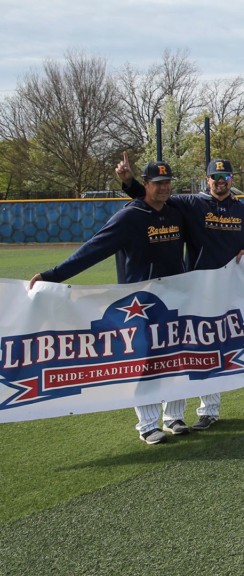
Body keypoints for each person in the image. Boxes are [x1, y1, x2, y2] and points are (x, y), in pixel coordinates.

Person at [118, 157, 244, 431]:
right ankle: (209, 410)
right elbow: (151, 197)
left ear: (232, 180)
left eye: (226, 177)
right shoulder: (191, 205)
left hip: (238, 290)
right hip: (201, 292)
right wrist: (128, 182)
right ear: (207, 180)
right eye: (215, 177)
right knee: (206, 351)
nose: (220, 182)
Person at [31, 158, 187, 445]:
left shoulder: (175, 212)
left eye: (167, 182)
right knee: (144, 360)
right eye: (157, 183)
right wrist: (52, 275)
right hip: (138, 301)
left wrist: (129, 183)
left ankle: (174, 416)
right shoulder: (129, 217)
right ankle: (148, 423)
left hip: (175, 296)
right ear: (147, 184)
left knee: (174, 357)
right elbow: (93, 249)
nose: (164, 188)